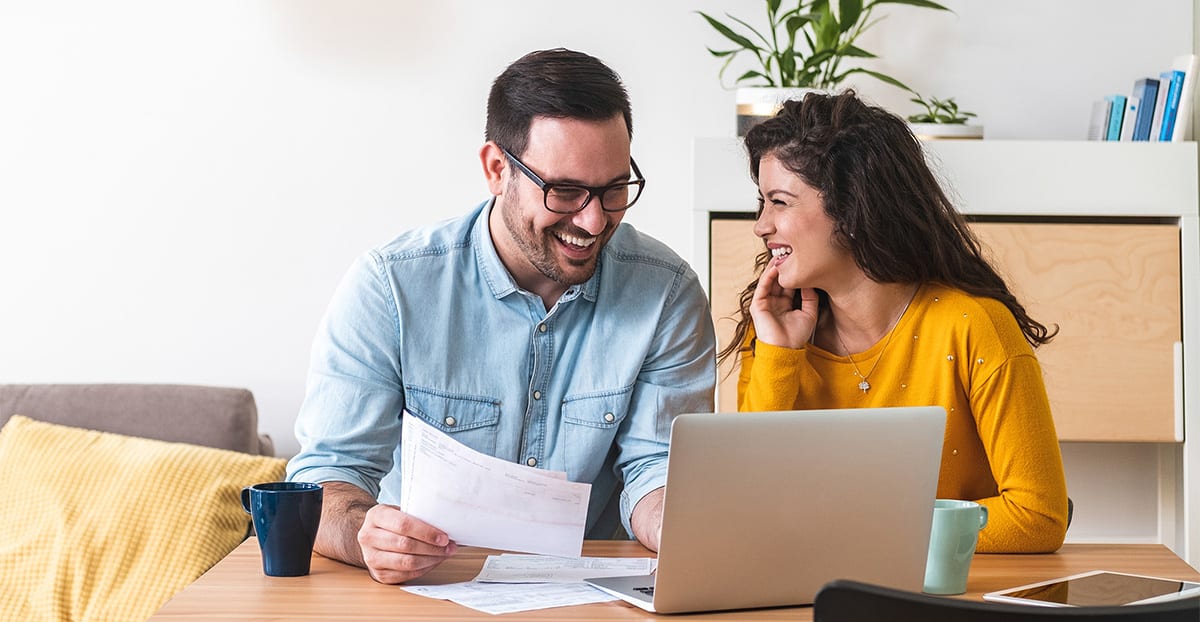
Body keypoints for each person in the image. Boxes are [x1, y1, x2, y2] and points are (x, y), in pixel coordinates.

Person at [286, 48, 716, 584]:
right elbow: (326, 479)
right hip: (422, 593)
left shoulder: (667, 292)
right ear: (496, 169)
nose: (593, 220)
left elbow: (656, 469)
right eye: (565, 191)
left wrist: (683, 526)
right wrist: (366, 535)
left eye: (613, 190)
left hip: (589, 600)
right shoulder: (390, 287)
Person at [722, 91, 1068, 553]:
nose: (761, 225)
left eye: (779, 202)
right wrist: (780, 357)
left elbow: (1038, 516)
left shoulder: (974, 325)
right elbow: (748, 507)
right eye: (762, 203)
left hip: (947, 590)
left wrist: (868, 530)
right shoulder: (772, 332)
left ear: (851, 208)